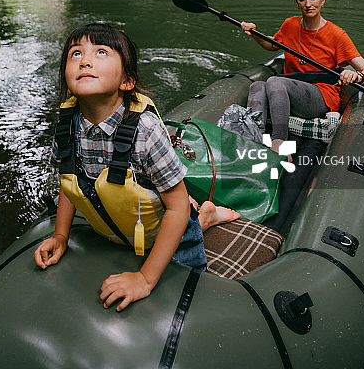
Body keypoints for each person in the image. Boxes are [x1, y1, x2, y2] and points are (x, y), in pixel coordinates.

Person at [33, 23, 239, 311]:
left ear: (127, 82)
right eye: (75, 54)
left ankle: (204, 215)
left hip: (169, 227)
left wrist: (145, 278)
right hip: (122, 228)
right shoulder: (67, 126)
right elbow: (70, 182)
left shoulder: (145, 131)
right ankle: (205, 213)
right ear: (68, 81)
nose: (85, 60)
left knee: (188, 291)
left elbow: (176, 210)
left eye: (101, 52)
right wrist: (60, 235)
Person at [241, 0, 364, 154]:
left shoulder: (337, 35)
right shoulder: (290, 25)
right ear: (296, 1)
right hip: (288, 90)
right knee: (257, 86)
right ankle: (251, 141)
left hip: (320, 96)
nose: (308, 4)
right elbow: (273, 46)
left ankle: (279, 146)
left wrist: (356, 75)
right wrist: (254, 33)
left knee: (274, 81)